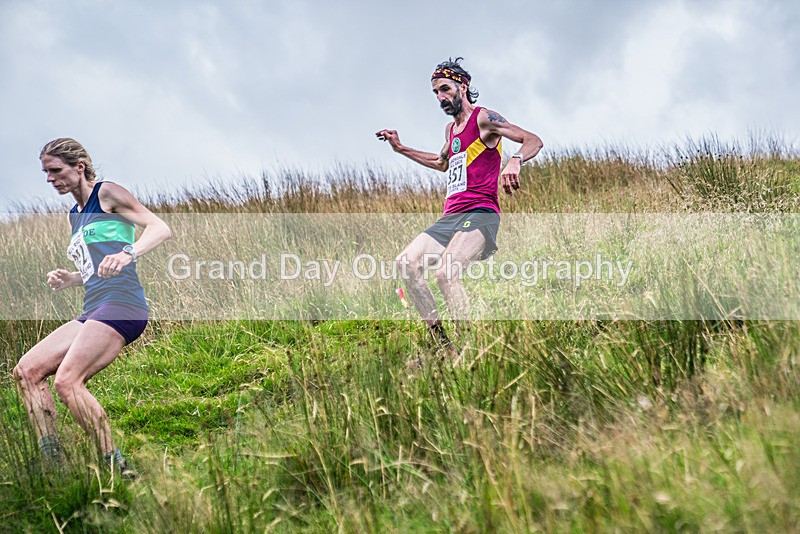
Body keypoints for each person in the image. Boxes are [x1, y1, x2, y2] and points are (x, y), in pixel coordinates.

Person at [13, 138, 171, 478]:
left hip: (123, 304)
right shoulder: (74, 216)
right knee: (26, 371)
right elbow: (96, 268)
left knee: (68, 381)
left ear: (78, 167)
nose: (50, 179)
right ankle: (53, 462)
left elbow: (160, 228)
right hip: (93, 307)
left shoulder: (108, 193)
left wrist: (129, 252)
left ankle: (117, 465)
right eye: (45, 173)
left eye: (55, 170)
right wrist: (72, 278)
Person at [376, 57, 543, 363]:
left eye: (445, 89)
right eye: (436, 93)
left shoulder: (485, 118)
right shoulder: (450, 131)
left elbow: (533, 140)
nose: (440, 98)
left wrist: (516, 159)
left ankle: (468, 350)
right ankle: (443, 346)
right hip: (450, 217)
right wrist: (401, 149)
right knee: (406, 265)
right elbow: (441, 163)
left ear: (462, 87)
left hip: (480, 213)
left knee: (445, 273)